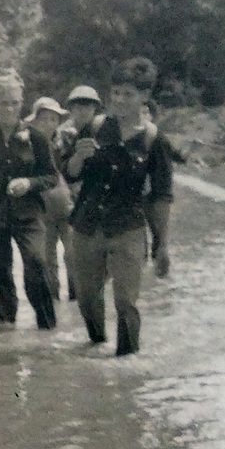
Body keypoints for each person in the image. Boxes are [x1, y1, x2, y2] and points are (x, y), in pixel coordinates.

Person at [66, 57, 173, 355]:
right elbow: (70, 174)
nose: (120, 100)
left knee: (126, 301)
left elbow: (162, 196)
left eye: (128, 94)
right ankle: (96, 346)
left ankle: (127, 363)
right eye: (115, 93)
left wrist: (162, 244)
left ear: (144, 97)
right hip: (87, 224)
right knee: (87, 298)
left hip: (128, 226)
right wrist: (77, 158)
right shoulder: (95, 127)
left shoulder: (154, 140)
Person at [0, 72, 58, 330]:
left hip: (28, 214)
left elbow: (51, 176)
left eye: (15, 103)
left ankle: (46, 327)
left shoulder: (36, 137)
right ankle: (6, 329)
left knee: (36, 262)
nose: (10, 109)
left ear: (22, 104)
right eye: (3, 103)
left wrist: (29, 183)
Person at [24, 96, 74, 302]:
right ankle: (53, 299)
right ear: (34, 121)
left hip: (67, 207)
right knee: (47, 259)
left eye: (53, 119)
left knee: (72, 254)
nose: (49, 124)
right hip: (42, 210)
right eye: (44, 119)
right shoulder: (27, 145)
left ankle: (76, 297)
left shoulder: (65, 142)